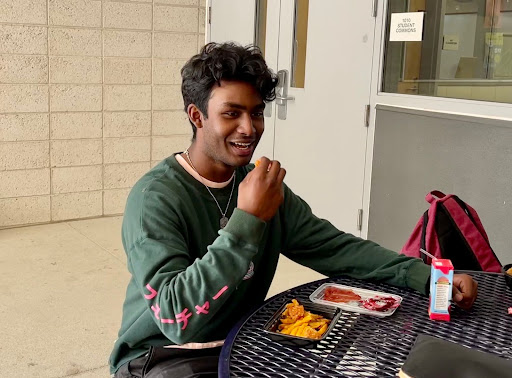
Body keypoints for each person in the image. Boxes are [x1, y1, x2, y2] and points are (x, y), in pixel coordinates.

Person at [109, 42, 477, 377]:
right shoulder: (155, 198)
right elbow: (177, 317)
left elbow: (337, 249)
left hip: (243, 341)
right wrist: (248, 220)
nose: (248, 128)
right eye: (231, 114)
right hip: (163, 357)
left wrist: (428, 277)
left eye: (256, 113)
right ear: (197, 116)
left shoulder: (260, 185)